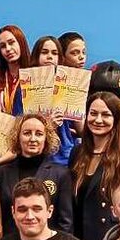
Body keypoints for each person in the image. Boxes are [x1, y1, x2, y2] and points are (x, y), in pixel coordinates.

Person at [68, 92, 120, 240]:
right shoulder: (77, 152)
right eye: (93, 113)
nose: (98, 120)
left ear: (116, 119)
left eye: (105, 115)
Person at [0, 112, 73, 237]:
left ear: (46, 138)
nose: (33, 139)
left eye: (39, 134)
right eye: (27, 133)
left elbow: (66, 223)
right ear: (17, 137)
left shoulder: (61, 174)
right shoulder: (1, 173)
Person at [32, 34, 79, 167]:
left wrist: (78, 110)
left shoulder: (69, 85)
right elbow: (19, 124)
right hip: (37, 155)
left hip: (65, 155)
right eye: (44, 52)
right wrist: (48, 125)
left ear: (60, 58)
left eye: (54, 53)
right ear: (36, 56)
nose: (49, 57)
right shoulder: (25, 87)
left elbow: (80, 129)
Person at [0, 24, 31, 115]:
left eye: (11, 42)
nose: (8, 49)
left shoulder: (35, 74)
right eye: (3, 46)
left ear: (21, 42)